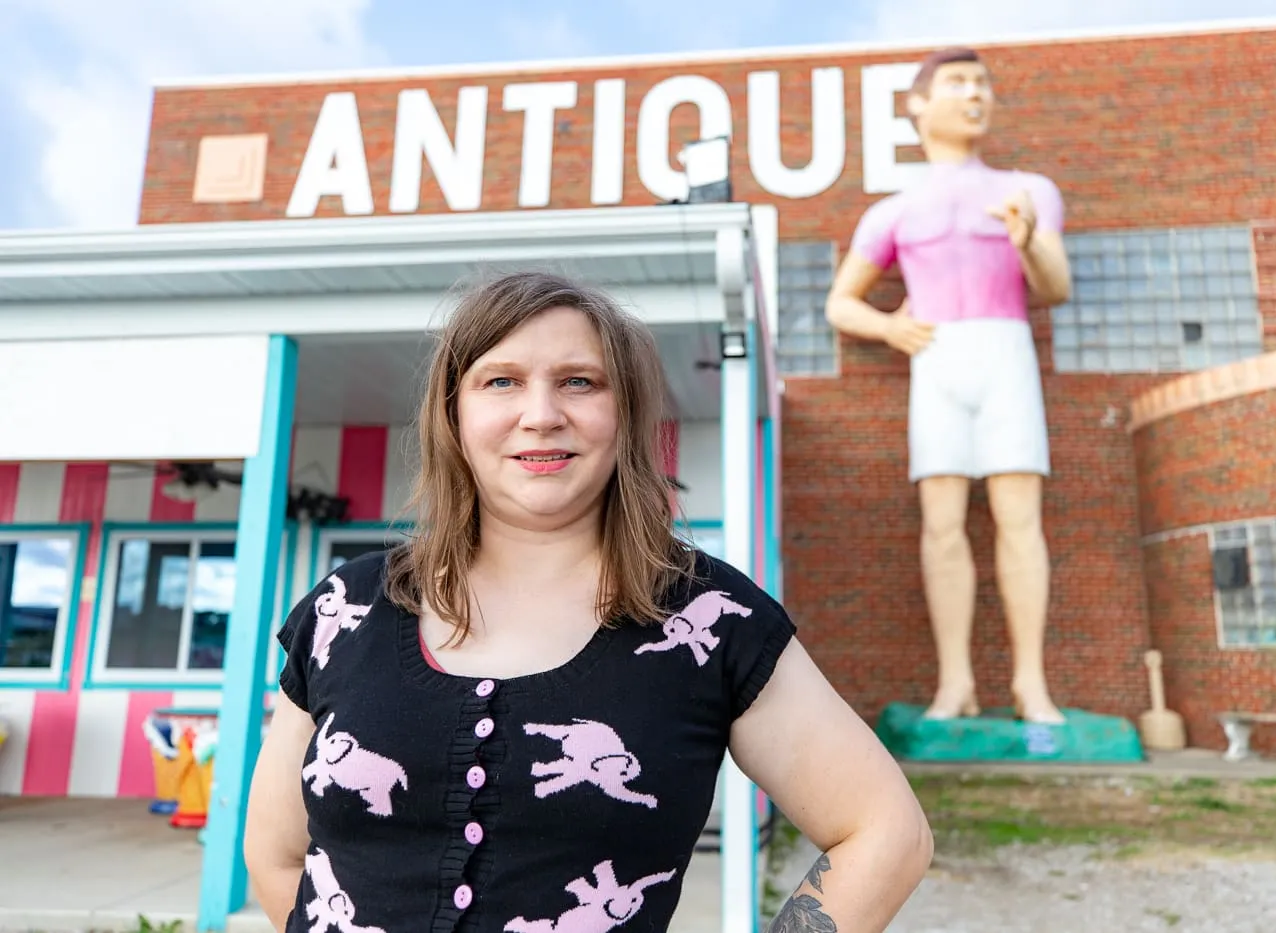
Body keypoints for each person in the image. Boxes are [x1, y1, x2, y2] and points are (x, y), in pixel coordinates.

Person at [245, 271, 932, 932]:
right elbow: (276, 854)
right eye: (502, 381)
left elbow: (886, 832)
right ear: (453, 415)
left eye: (579, 381)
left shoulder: (708, 617)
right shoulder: (347, 609)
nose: (541, 415)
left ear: (624, 414)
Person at [825, 47, 1072, 725]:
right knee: (941, 525)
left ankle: (1031, 684)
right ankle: (955, 682)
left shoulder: (1028, 190)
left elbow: (1056, 286)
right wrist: (887, 328)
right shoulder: (894, 210)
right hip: (935, 357)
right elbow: (840, 303)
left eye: (983, 84)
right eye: (958, 83)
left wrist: (1027, 241)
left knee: (1021, 517)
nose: (975, 95)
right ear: (918, 103)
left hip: (1005, 347)